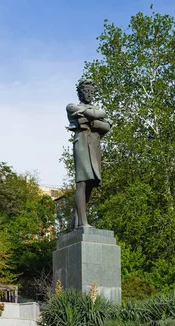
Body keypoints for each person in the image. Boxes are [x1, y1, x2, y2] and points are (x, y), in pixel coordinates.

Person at [66, 79, 111, 229]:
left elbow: (107, 126)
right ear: (80, 93)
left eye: (92, 92)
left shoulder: (97, 110)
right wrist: (95, 117)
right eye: (86, 91)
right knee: (82, 181)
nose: (89, 94)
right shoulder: (72, 106)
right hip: (82, 143)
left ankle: (76, 221)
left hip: (95, 146)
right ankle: (83, 223)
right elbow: (90, 114)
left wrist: (92, 121)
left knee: (91, 182)